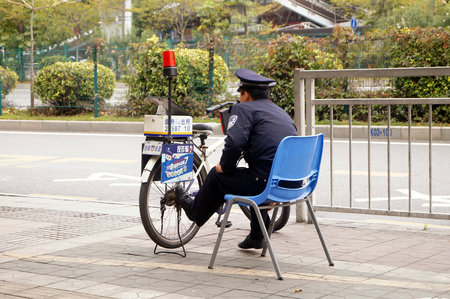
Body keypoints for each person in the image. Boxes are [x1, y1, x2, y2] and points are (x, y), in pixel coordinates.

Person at [175, 69, 297, 249]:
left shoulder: (243, 108)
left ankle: (194, 211)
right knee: (253, 174)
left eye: (240, 94)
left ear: (245, 94)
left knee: (217, 176)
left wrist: (224, 167)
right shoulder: (281, 113)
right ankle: (257, 236)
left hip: (265, 184)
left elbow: (234, 143)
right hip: (291, 184)